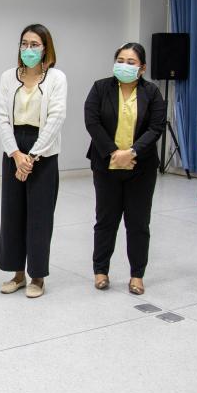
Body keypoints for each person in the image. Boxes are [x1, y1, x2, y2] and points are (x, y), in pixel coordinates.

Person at [84, 43, 166, 295]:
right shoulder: (100, 87)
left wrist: (132, 152)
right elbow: (92, 121)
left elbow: (156, 127)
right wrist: (113, 152)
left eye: (131, 62)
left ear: (142, 68)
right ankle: (100, 270)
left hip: (141, 167)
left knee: (138, 222)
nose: (124, 65)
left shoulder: (152, 92)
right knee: (105, 220)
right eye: (120, 60)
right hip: (105, 165)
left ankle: (137, 275)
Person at [0, 24, 67, 298]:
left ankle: (37, 276)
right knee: (12, 213)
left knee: (40, 215)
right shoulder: (8, 77)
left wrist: (32, 157)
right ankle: (17, 274)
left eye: (34, 44)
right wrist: (16, 154)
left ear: (45, 48)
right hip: (14, 148)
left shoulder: (56, 78)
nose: (28, 49)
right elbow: (2, 116)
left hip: (43, 151)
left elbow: (56, 118)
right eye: (24, 43)